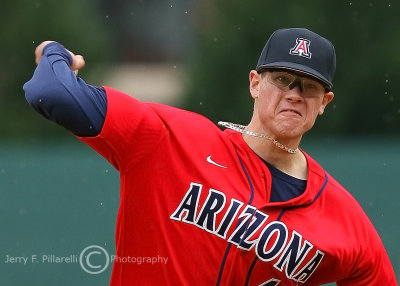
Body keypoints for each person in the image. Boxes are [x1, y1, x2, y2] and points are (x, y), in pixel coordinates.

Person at [23, 28, 397, 285]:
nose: (295, 93)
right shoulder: (167, 138)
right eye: (282, 79)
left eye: (310, 86)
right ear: (255, 83)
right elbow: (52, 93)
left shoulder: (344, 221)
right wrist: (55, 52)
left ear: (325, 102)